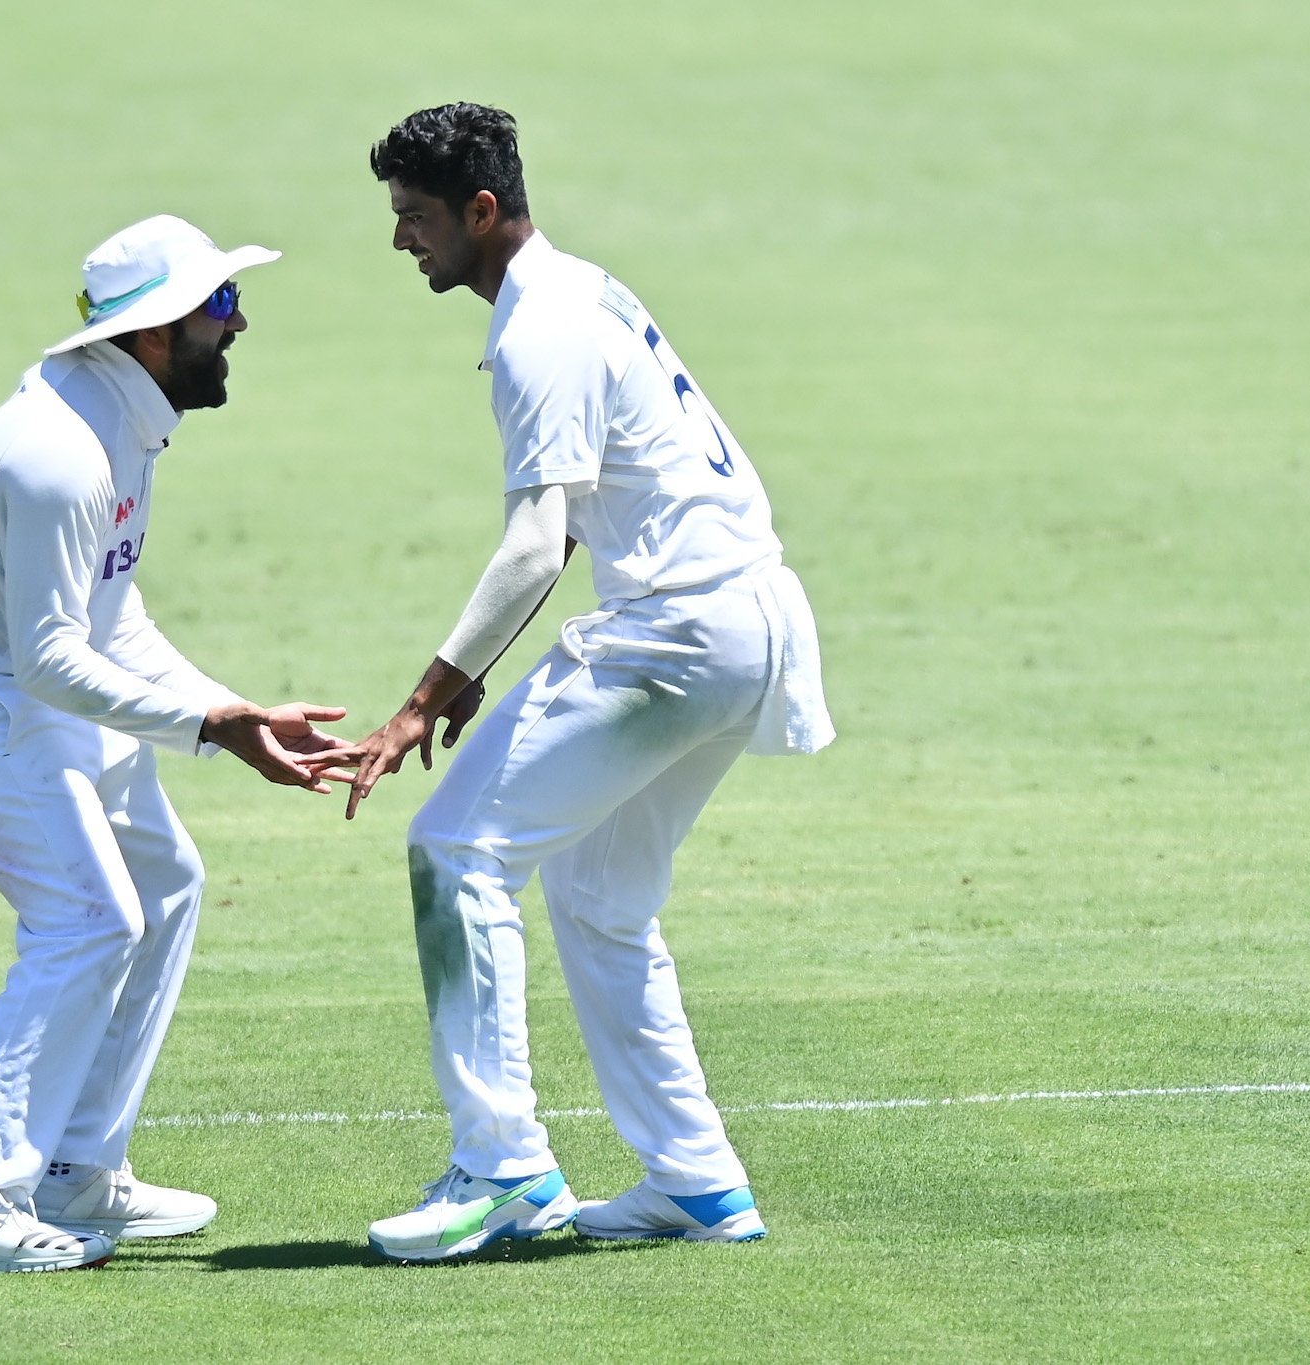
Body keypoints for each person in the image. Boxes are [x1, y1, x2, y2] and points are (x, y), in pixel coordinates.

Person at [341, 105, 835, 1263]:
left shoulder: (538, 332)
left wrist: (423, 694)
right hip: (745, 624)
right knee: (599, 899)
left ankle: (501, 1168)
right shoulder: (581, 289)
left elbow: (528, 543)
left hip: (675, 637)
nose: (400, 241)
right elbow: (571, 514)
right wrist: (473, 676)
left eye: (413, 218)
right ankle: (695, 1181)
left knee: (455, 849)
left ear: (478, 211)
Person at [0, 215, 345, 1274]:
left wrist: (231, 716)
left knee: (163, 884)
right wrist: (206, 727)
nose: (240, 320)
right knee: (86, 918)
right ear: (158, 333)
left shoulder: (124, 418)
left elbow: (109, 622)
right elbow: (44, 661)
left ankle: (77, 1169)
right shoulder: (61, 451)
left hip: (15, 679)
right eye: (220, 306)